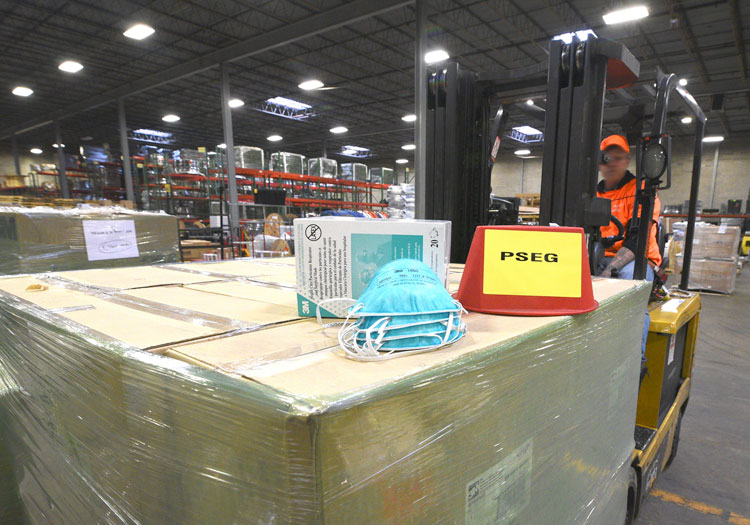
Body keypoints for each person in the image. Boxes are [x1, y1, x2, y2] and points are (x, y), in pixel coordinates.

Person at [596, 134, 661, 374]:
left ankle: (633, 363)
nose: (612, 162)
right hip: (600, 255)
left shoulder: (642, 191)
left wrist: (608, 270)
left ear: (627, 160)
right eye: (607, 158)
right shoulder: (592, 193)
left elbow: (637, 240)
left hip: (635, 258)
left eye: (618, 157)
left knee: (629, 287)